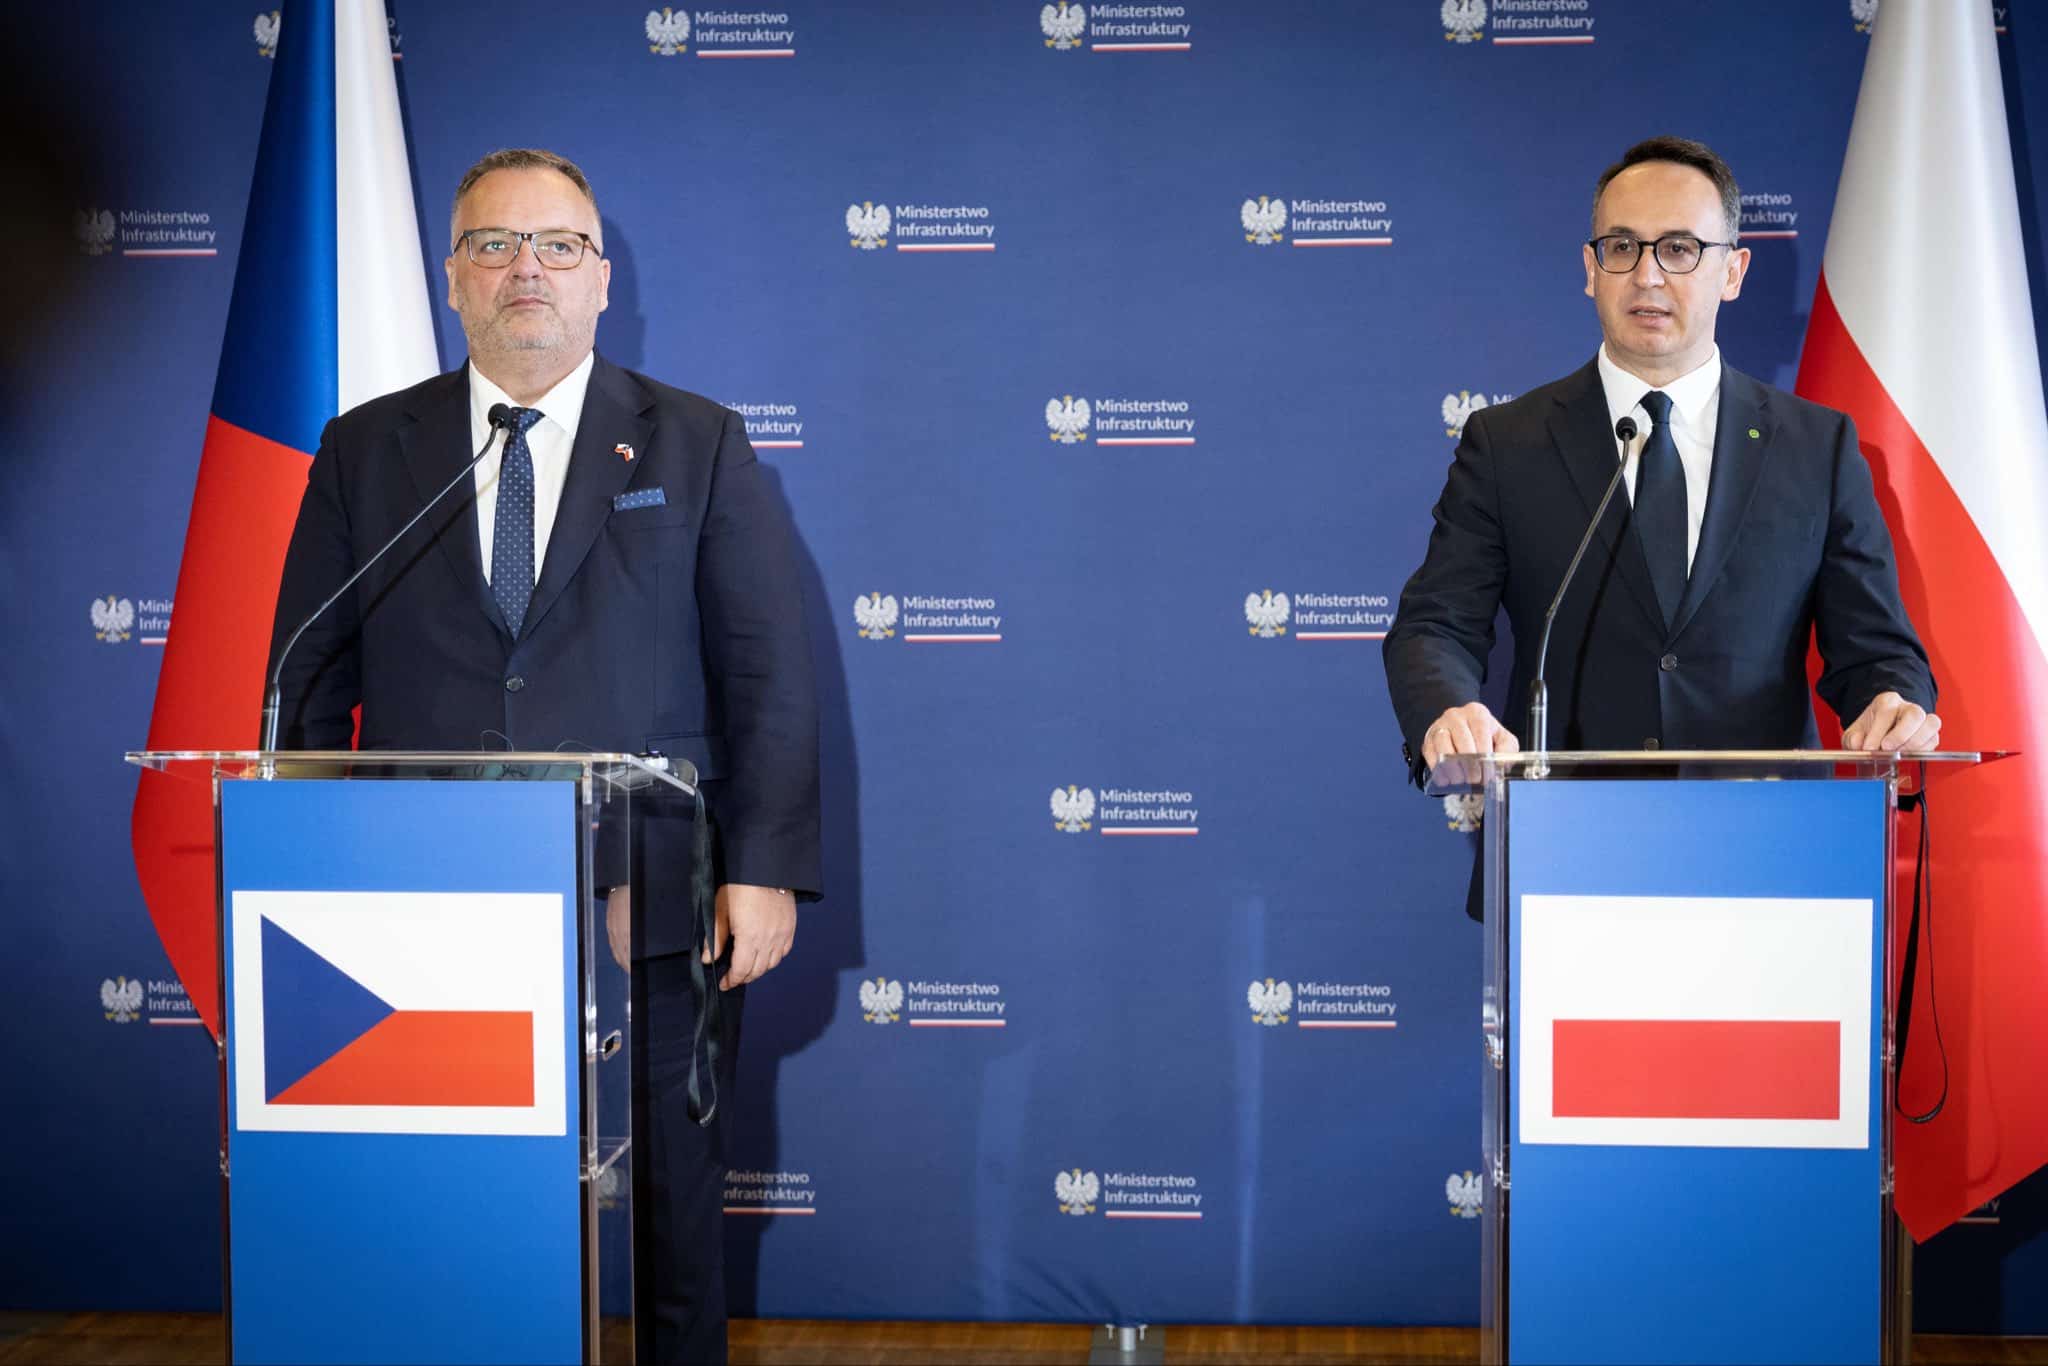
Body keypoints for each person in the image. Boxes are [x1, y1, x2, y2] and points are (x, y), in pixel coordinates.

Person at [266, 147, 819, 1363]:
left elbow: (766, 672)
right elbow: (306, 680)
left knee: (670, 1213)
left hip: (652, 900)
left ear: (600, 279)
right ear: (451, 277)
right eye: (494, 244)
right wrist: (310, 877)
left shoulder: (696, 440)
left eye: (557, 245)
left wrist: (763, 865)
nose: (527, 268)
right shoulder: (366, 449)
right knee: (447, 1210)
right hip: (424, 908)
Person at [1384, 136, 1940, 845]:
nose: (1647, 276)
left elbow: (1877, 650)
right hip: (1566, 849)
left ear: (1732, 271)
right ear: (1591, 270)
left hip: (1767, 848)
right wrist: (1447, 709)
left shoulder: (1816, 447)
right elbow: (1436, 625)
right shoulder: (1508, 443)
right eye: (1622, 247)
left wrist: (1894, 703)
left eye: (1680, 249)